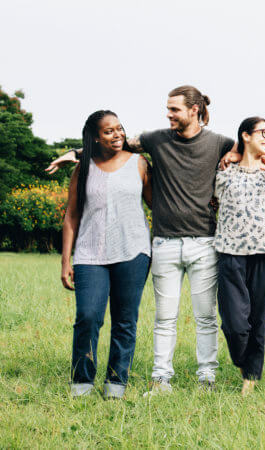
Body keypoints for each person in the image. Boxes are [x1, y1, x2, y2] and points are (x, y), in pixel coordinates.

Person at [48, 86, 248, 393]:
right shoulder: (155, 140)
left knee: (203, 316)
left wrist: (235, 155)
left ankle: (201, 377)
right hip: (163, 243)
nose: (168, 114)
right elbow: (109, 143)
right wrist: (73, 154)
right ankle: (156, 379)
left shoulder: (218, 142)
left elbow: (249, 152)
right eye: (167, 109)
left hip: (201, 242)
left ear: (193, 110)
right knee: (154, 317)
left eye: (174, 109)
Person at [61, 110, 151, 398]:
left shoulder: (139, 164)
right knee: (88, 316)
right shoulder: (83, 168)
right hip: (90, 254)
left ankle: (116, 383)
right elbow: (71, 215)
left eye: (119, 128)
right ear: (96, 137)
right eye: (109, 131)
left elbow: (158, 206)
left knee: (125, 320)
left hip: (133, 251)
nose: (117, 134)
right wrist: (66, 260)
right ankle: (82, 382)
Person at [214, 117, 265, 395]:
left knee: (259, 322)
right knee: (235, 325)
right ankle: (243, 362)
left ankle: (249, 381)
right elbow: (211, 205)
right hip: (230, 255)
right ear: (245, 135)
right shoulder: (225, 174)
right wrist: (230, 155)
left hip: (264, 256)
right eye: (263, 133)